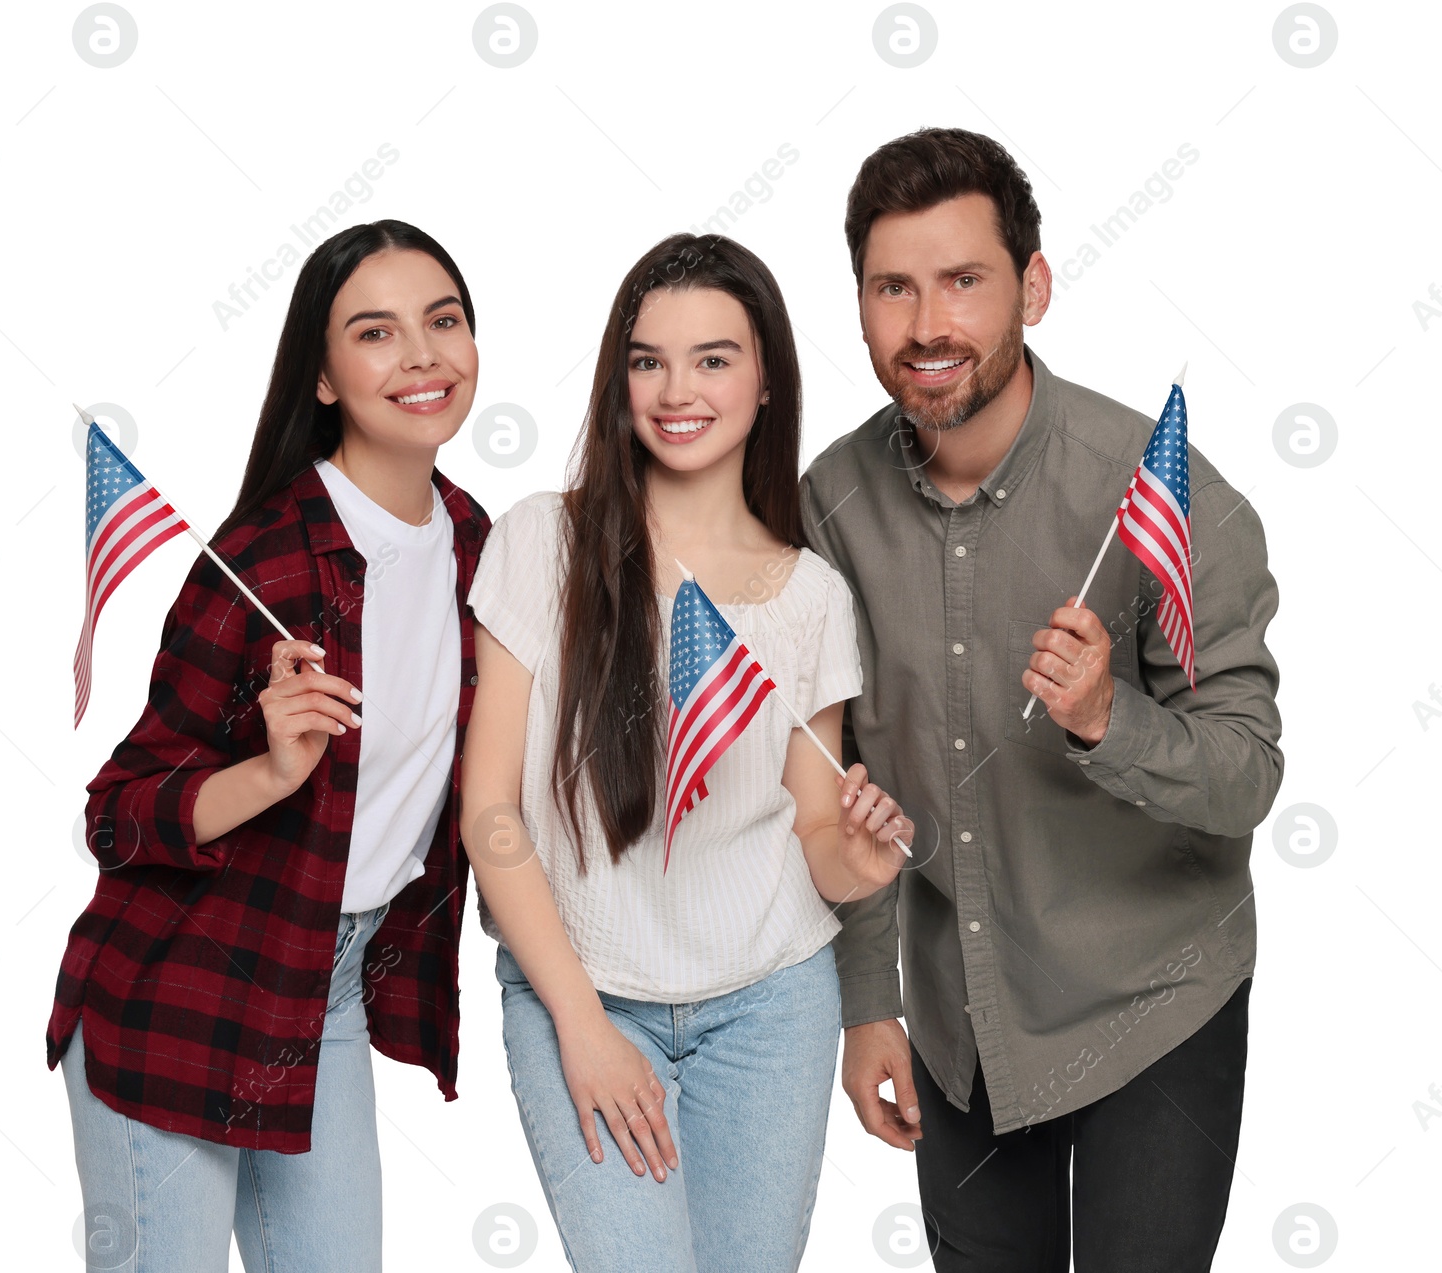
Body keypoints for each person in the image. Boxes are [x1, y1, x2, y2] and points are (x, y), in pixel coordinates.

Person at [800, 128, 1283, 1272]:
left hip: (1151, 999)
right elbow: (842, 774)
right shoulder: (829, 502)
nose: (927, 325)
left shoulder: (1162, 495)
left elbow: (1247, 774)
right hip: (961, 1020)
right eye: (893, 288)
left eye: (964, 280)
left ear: (1033, 286)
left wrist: (1108, 719)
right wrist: (869, 1000)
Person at [460, 232, 914, 1272]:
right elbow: (490, 809)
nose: (678, 388)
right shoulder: (541, 542)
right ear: (619, 381)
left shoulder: (810, 597)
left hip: (769, 1001)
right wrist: (580, 1022)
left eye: (714, 358)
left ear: (764, 381)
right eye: (647, 359)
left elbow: (815, 831)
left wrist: (864, 858)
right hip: (580, 986)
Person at [47, 219, 490, 1272]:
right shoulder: (266, 562)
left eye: (443, 321)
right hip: (180, 993)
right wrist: (272, 770)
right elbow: (114, 813)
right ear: (325, 377)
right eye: (376, 333)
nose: (421, 355)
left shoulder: (479, 543)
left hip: (319, 992)